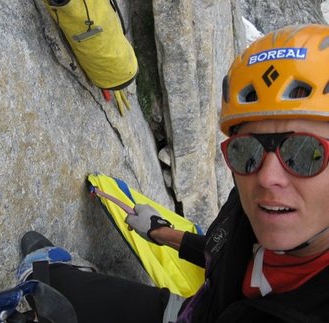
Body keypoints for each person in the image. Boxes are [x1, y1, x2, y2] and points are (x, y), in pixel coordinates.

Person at [19, 24, 329, 323]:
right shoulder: (255, 193)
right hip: (199, 311)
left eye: (305, 154)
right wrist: (157, 230)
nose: (266, 177)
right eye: (245, 150)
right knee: (47, 280)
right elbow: (220, 249)